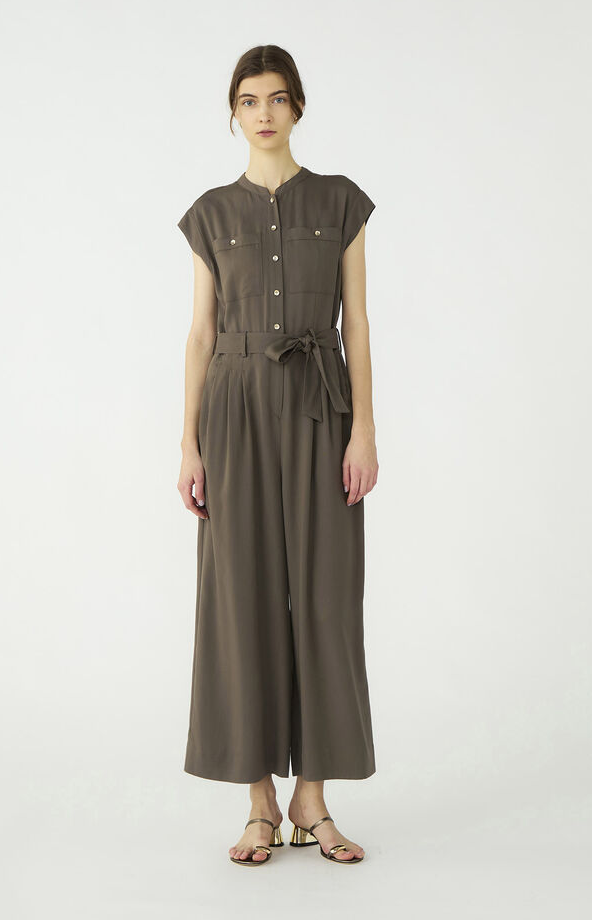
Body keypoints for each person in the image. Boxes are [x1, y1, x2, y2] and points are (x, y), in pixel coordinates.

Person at [176, 45, 379, 866]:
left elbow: (355, 323)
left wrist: (364, 430)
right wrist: (187, 442)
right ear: (233, 113)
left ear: (298, 107)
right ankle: (259, 801)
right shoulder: (209, 214)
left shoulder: (340, 202)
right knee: (242, 596)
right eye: (248, 100)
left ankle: (312, 800)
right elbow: (199, 333)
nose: (263, 113)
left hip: (319, 407)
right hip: (232, 411)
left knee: (325, 597)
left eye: (277, 98)